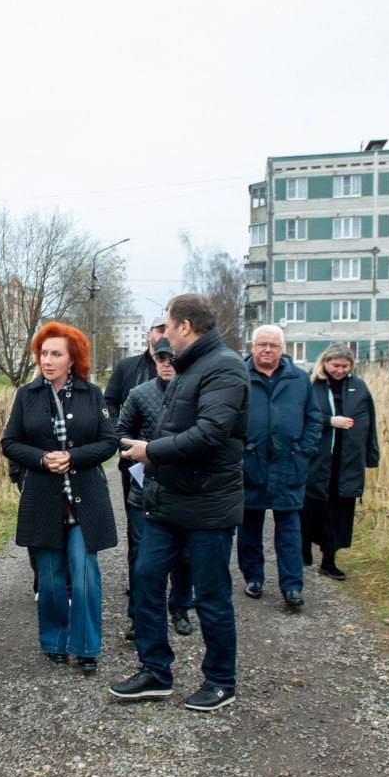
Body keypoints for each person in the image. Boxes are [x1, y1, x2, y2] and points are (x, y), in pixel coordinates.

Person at [111, 294, 248, 712]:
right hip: (165, 503)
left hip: (207, 507)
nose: (164, 334)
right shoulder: (187, 369)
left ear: (185, 326)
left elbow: (210, 434)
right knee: (147, 582)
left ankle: (221, 680)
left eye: (168, 325)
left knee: (210, 595)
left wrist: (150, 451)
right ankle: (155, 670)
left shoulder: (225, 367)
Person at [1, 322, 118, 674]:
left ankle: (86, 647)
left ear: (72, 359)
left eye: (56, 354)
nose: (47, 360)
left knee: (84, 573)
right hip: (43, 499)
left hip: (85, 499)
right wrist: (40, 458)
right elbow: (9, 443)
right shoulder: (27, 395)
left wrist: (74, 457)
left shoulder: (91, 394)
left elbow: (109, 441)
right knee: (50, 576)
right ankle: (54, 640)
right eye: (43, 353)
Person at [237, 325, 323, 609]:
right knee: (249, 527)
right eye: (262, 344)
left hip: (289, 464)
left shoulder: (299, 379)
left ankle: (292, 586)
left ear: (282, 349)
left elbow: (313, 418)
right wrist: (239, 450)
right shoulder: (239, 377)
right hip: (251, 463)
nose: (267, 350)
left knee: (289, 530)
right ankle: (253, 577)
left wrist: (304, 450)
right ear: (252, 347)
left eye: (273, 345)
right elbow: (228, 417)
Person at [116, 337, 194, 636]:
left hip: (183, 488)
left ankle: (180, 607)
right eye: (161, 358)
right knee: (141, 554)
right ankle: (139, 616)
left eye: (172, 358)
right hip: (144, 489)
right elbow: (120, 432)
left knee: (184, 554)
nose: (166, 363)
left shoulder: (195, 393)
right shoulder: (138, 394)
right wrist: (139, 454)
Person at [105, 318, 167, 638]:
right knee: (140, 536)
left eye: (168, 329)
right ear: (149, 335)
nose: (163, 336)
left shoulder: (188, 371)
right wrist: (125, 440)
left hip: (177, 469)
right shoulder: (128, 368)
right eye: (158, 330)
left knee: (175, 540)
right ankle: (138, 609)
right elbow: (110, 402)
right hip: (136, 467)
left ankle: (178, 601)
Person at [301, 344, 380, 581]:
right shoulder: (310, 385)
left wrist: (371, 456)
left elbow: (370, 423)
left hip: (347, 464)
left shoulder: (358, 387)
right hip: (316, 461)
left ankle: (329, 561)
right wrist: (329, 421)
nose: (340, 370)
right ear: (325, 362)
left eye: (345, 366)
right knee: (311, 508)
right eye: (336, 365)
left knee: (339, 514)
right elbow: (300, 416)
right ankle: (304, 546)